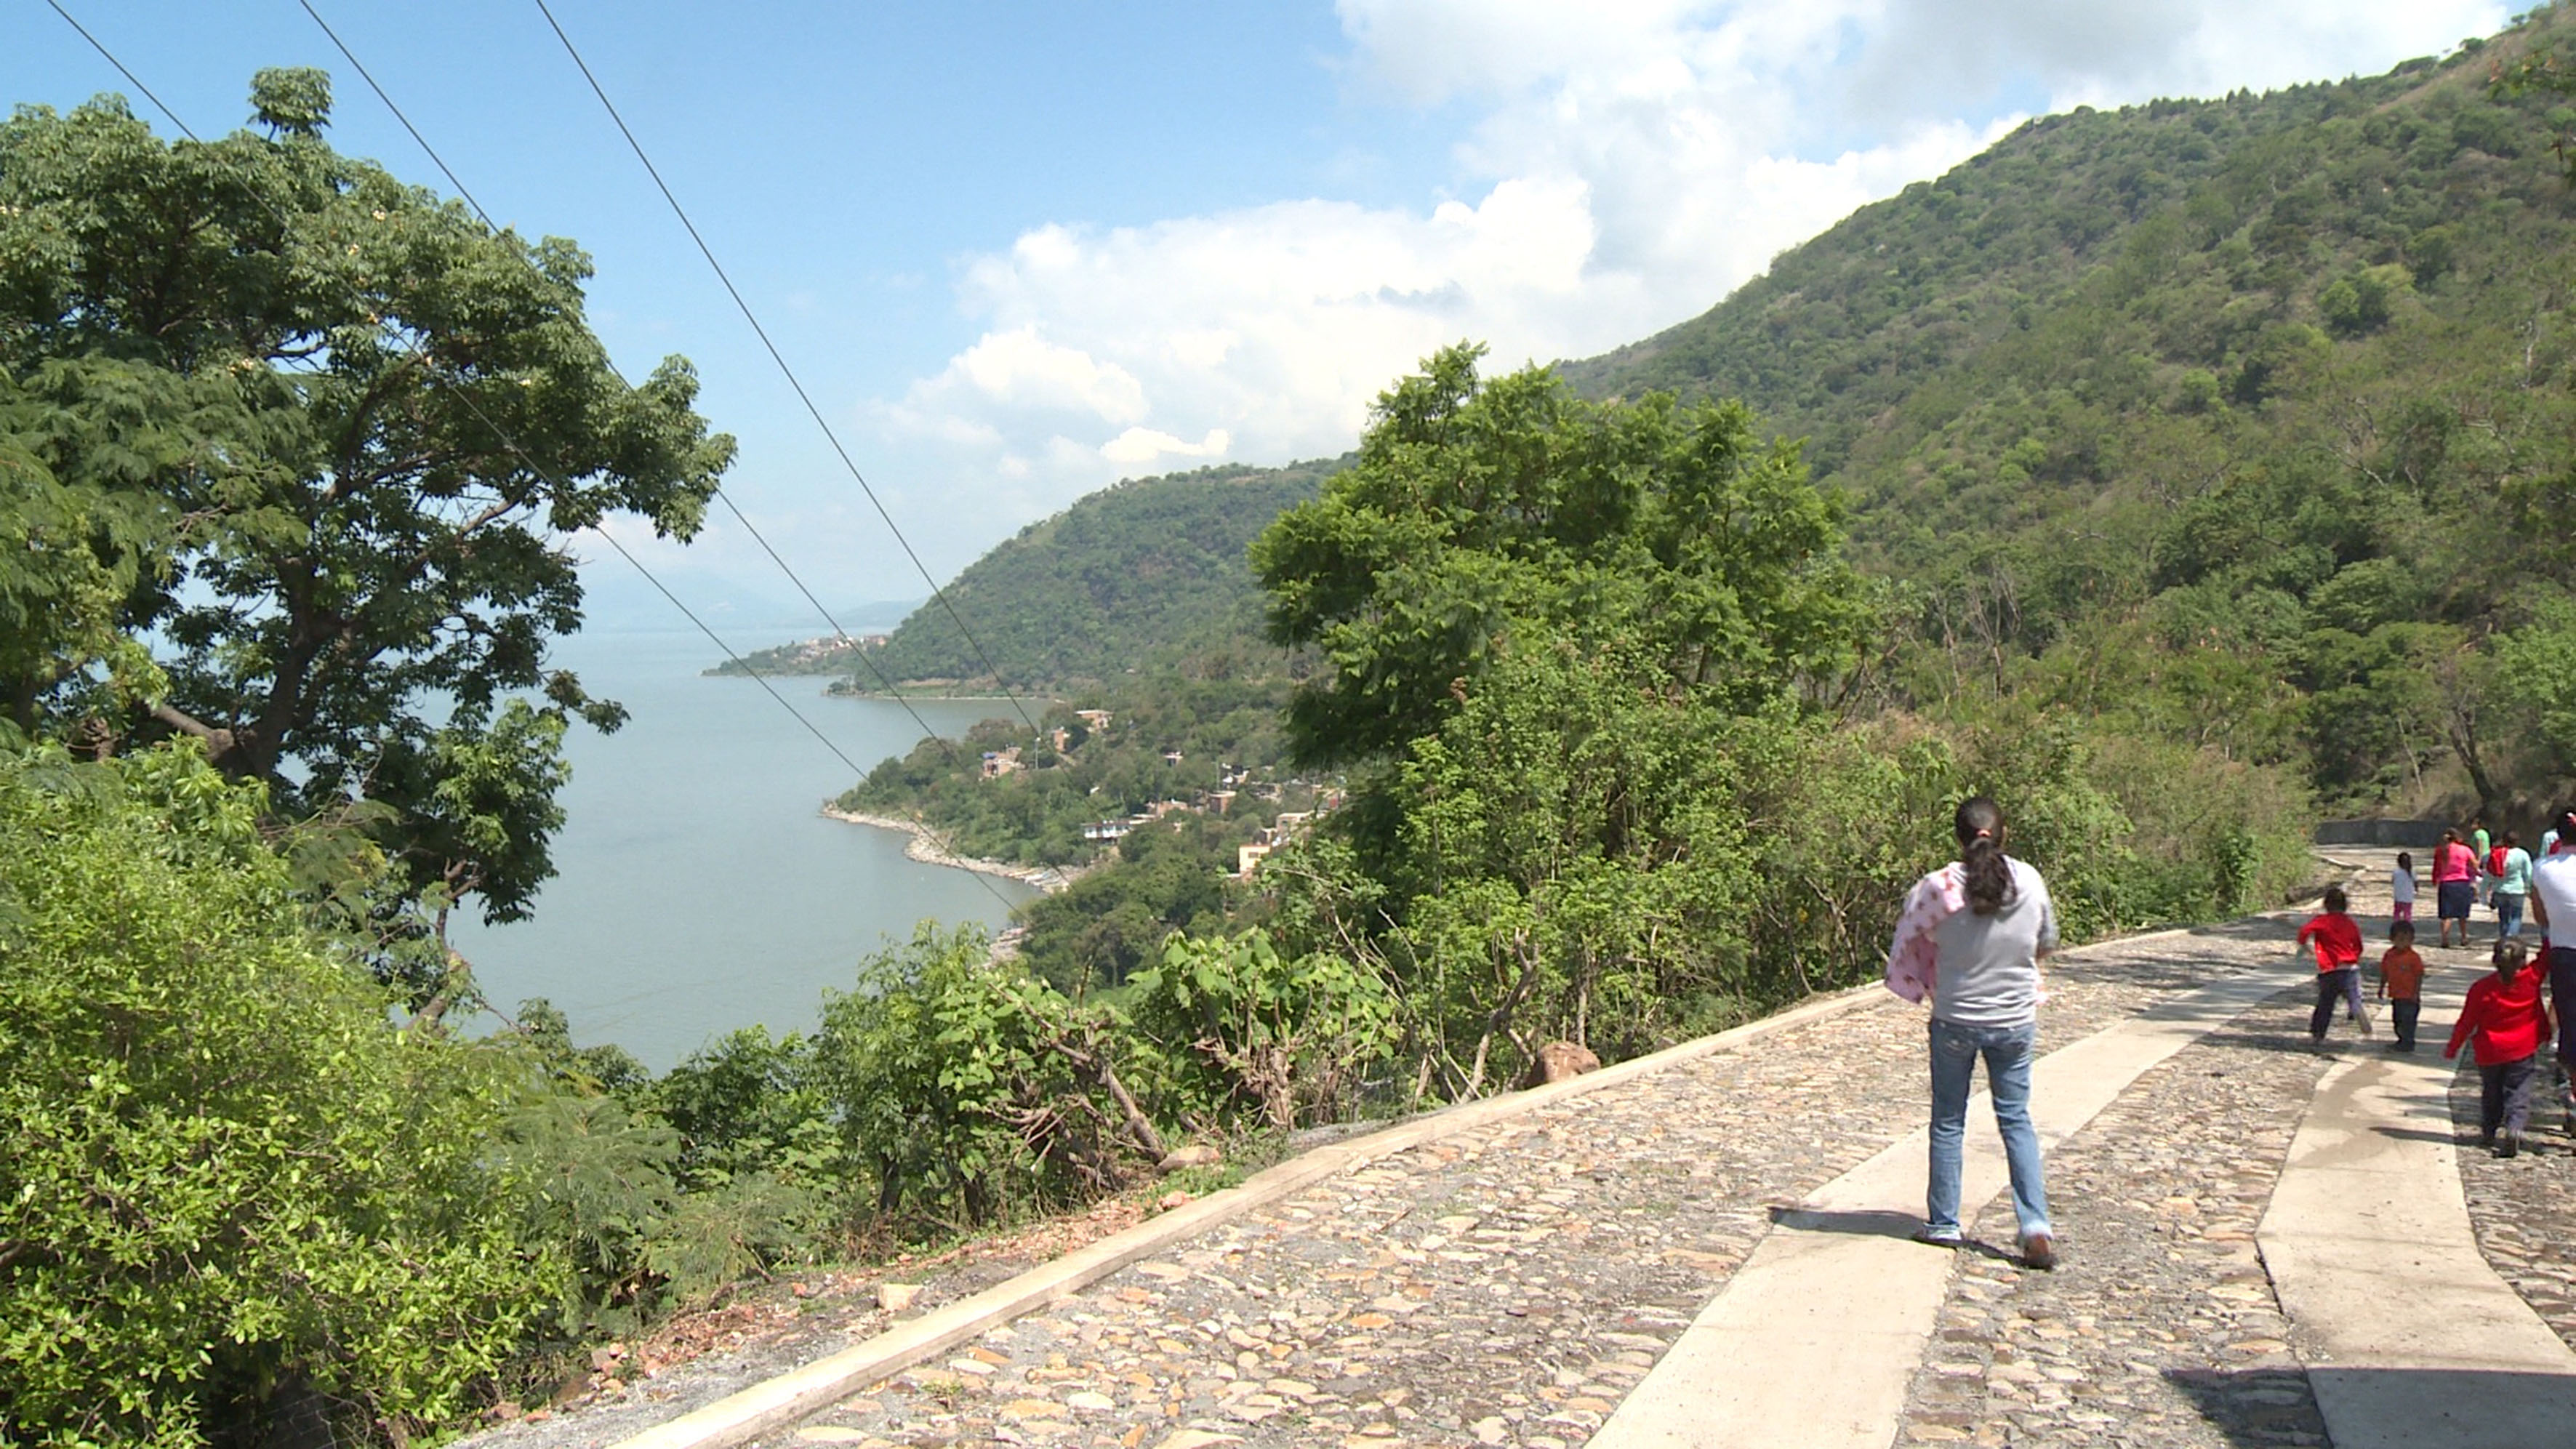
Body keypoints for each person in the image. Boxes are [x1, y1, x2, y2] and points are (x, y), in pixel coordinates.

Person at [1891, 795, 2059, 1270]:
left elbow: (1908, 938)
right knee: (2016, 1120)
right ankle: (2034, 1225)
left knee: (1948, 1119)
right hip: (2013, 1021)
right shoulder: (2028, 880)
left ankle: (1944, 1221)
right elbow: (2045, 942)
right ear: (2003, 835)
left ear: (1957, 836)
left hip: (1954, 1020)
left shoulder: (1935, 888)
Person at [2447, 939, 2552, 1157]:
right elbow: (2547, 956)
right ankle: (2514, 1128)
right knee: (2519, 1091)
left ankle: (2489, 1131)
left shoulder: (2482, 988)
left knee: (2491, 1092)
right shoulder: (2531, 979)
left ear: (2495, 960)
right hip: (2522, 1048)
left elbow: (2467, 1022)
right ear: (2523, 960)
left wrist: (2453, 1047)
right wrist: (2551, 928)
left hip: (2489, 1051)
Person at [2527, 808, 2576, 1133]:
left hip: (2564, 954)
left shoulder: (2542, 869)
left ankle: (2572, 1092)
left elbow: (2541, 918)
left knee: (2571, 1022)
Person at [2297, 886, 2370, 1043]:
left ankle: (2318, 1034)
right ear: (2345, 905)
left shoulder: (2321, 921)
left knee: (2325, 1004)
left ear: (2326, 904)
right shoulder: (2349, 923)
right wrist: (2354, 957)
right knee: (2353, 994)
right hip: (2350, 968)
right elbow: (2358, 944)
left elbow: (2304, 931)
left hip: (2330, 969)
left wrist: (2305, 946)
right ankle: (2356, 1007)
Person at [2378, 920, 2425, 1052]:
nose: (2404, 943)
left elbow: (2419, 975)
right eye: (2401, 940)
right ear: (2392, 939)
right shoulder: (2389, 955)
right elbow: (2385, 972)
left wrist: (2416, 993)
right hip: (2396, 994)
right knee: (2397, 1020)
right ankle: (2401, 1040)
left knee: (2409, 1021)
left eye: (2408, 940)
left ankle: (2408, 1043)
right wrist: (2381, 987)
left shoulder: (2413, 957)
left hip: (2410, 996)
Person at [2434, 828, 2480, 948]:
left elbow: (2437, 867)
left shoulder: (2441, 850)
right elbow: (2474, 865)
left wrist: (2435, 880)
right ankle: (2464, 937)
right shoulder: (2465, 849)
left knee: (2446, 914)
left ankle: (2445, 939)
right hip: (2462, 882)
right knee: (2462, 914)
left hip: (2446, 883)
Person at [2493, 832, 2534, 941]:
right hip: (2517, 889)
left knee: (2503, 917)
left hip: (2500, 889)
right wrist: (2529, 887)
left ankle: (2504, 939)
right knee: (2516, 916)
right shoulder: (2523, 854)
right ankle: (2512, 936)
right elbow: (2528, 873)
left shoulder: (2498, 853)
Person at [2391, 851, 2417, 926]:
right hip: (2408, 898)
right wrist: (2416, 890)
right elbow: (2416, 882)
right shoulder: (2412, 872)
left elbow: (2393, 881)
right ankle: (2408, 927)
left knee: (2397, 913)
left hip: (2398, 897)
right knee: (2407, 913)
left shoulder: (2396, 872)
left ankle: (2396, 926)